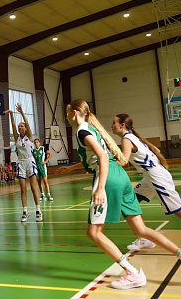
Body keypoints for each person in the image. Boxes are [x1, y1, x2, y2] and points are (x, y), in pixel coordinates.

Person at [66, 99, 181, 289]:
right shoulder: (93, 129)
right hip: (121, 177)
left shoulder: (82, 131)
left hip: (108, 178)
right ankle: (178, 252)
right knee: (141, 230)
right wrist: (71, 168)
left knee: (94, 232)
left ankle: (132, 273)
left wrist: (101, 187)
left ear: (75, 112)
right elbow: (101, 155)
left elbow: (102, 157)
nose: (66, 116)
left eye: (67, 112)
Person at [112, 113, 181, 251]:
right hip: (149, 177)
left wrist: (106, 166)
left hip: (156, 176)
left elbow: (124, 161)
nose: (112, 126)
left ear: (122, 125)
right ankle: (144, 239)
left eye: (114, 123)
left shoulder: (127, 139)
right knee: (129, 202)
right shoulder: (133, 137)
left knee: (178, 211)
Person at [4, 103, 42, 222]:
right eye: (19, 126)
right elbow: (13, 125)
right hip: (20, 163)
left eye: (22, 126)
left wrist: (21, 112)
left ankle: (38, 211)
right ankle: (25, 212)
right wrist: (11, 115)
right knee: (23, 190)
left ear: (25, 128)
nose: (20, 127)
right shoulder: (17, 138)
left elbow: (27, 123)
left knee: (34, 188)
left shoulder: (29, 136)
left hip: (30, 161)